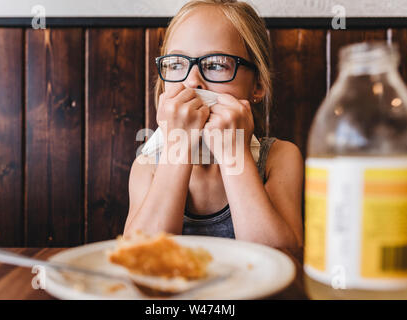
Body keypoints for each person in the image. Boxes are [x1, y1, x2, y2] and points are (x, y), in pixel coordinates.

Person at [124, 0, 303, 252]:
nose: (192, 82)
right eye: (176, 64)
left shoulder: (279, 158)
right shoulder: (147, 166)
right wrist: (177, 148)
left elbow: (281, 258)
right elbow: (139, 256)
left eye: (217, 64)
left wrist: (234, 154)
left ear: (257, 85)